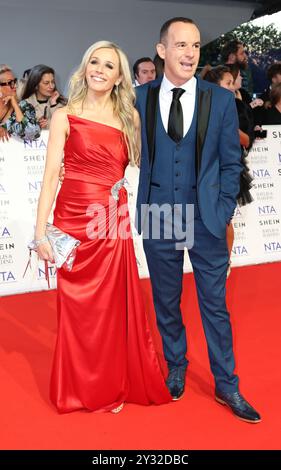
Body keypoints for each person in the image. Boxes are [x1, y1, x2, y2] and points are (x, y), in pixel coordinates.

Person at [34, 40, 171, 414]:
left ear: (118, 77)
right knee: (77, 309)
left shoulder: (130, 116)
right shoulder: (65, 115)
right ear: (85, 67)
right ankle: (82, 386)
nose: (99, 69)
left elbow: (142, 164)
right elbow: (49, 178)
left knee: (111, 308)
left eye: (109, 66)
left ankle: (111, 385)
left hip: (111, 220)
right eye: (94, 61)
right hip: (72, 218)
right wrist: (39, 232)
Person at [135, 17, 261, 423]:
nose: (190, 53)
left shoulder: (220, 99)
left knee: (215, 305)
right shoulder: (139, 98)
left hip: (206, 217)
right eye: (181, 45)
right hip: (158, 213)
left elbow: (230, 161)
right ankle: (176, 366)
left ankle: (227, 385)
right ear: (162, 50)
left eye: (195, 45)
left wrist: (223, 209)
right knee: (166, 302)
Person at [203, 65, 254, 276]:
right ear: (215, 86)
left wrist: (225, 124)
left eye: (233, 83)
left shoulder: (236, 107)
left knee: (225, 219)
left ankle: (226, 261)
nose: (232, 88)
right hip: (204, 171)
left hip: (229, 170)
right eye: (228, 83)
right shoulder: (200, 107)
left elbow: (246, 140)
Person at [0, 64, 40, 142]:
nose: (15, 86)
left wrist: (15, 105)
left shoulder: (24, 106)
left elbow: (32, 132)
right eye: (10, 83)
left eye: (15, 81)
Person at [22, 64, 67, 129]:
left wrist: (53, 104)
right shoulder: (24, 105)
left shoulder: (63, 103)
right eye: (46, 83)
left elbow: (66, 125)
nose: (51, 86)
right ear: (36, 85)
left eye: (53, 82)